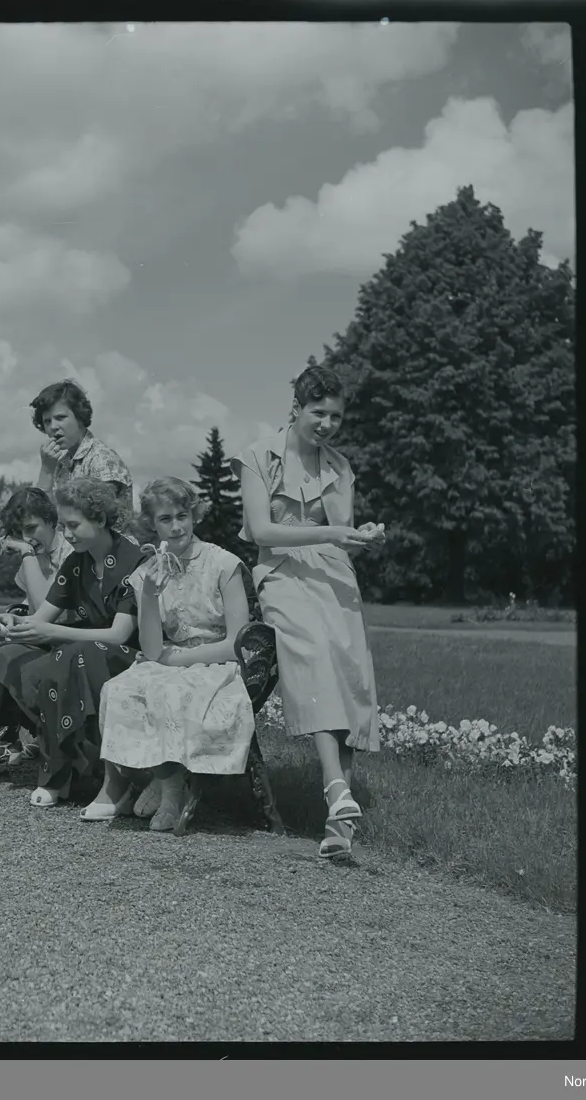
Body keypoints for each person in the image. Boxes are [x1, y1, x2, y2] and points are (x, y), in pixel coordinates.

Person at [230, 364, 386, 860]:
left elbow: (344, 538)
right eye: (319, 413)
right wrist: (332, 534)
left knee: (350, 671)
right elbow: (261, 531)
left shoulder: (339, 467)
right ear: (296, 408)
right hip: (281, 572)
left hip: (334, 572)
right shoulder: (258, 457)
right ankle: (335, 785)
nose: (327, 424)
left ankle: (339, 824)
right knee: (315, 654)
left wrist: (363, 538)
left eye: (336, 416)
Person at [0, 478, 143, 806]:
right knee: (2, 658)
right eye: (64, 526)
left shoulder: (132, 559)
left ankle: (67, 772)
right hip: (76, 650)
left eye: (73, 525)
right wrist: (12, 622)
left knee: (72, 654)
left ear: (100, 519)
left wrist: (52, 633)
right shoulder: (77, 563)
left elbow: (119, 635)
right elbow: (42, 617)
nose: (68, 534)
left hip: (123, 658)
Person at [83, 478, 257, 831]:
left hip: (217, 660)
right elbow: (150, 648)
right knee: (119, 688)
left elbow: (237, 642)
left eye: (182, 516)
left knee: (169, 689)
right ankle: (163, 781)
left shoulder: (223, 564)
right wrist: (149, 594)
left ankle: (171, 794)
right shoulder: (147, 572)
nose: (176, 526)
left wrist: (174, 660)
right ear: (152, 524)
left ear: (194, 516)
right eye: (165, 519)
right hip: (168, 657)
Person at [0, 487, 73, 775]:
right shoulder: (33, 556)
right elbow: (29, 607)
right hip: (45, 640)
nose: (26, 538)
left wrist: (26, 553)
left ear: (52, 520)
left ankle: (12, 739)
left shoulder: (71, 551)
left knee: (4, 660)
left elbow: (48, 611)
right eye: (18, 533)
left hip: (72, 641)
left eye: (31, 528)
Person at [31, 379, 136, 535]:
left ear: (80, 417)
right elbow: (41, 518)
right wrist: (46, 470)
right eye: (47, 421)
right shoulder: (61, 464)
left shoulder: (101, 459)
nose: (53, 427)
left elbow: (99, 524)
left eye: (60, 417)